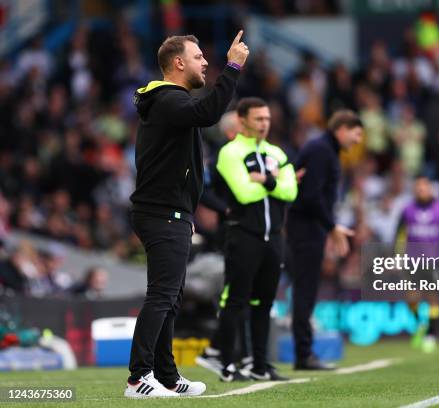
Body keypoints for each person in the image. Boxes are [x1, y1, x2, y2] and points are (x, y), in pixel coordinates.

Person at [125, 32, 248, 398]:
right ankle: (138, 378)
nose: (205, 62)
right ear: (178, 63)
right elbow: (209, 113)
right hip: (162, 213)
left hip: (169, 212)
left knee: (171, 296)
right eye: (198, 57)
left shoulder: (168, 102)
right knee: (162, 295)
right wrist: (234, 66)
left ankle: (165, 374)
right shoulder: (167, 99)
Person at [198, 97, 298, 382]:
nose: (265, 124)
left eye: (267, 119)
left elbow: (290, 192)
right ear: (242, 121)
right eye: (258, 119)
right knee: (236, 300)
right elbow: (244, 193)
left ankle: (259, 365)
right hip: (243, 234)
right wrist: (274, 181)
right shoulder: (230, 153)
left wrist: (263, 180)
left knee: (264, 303)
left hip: (274, 237)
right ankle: (228, 364)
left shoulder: (276, 151)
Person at [287, 110, 363, 370]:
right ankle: (303, 354)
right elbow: (310, 196)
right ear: (341, 128)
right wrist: (332, 227)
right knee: (305, 290)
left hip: (310, 227)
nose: (358, 140)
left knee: (306, 290)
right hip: (306, 228)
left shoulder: (325, 149)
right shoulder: (321, 150)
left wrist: (329, 228)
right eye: (357, 132)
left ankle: (304, 352)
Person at [395, 175, 439, 353]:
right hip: (412, 260)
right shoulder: (407, 210)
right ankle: (420, 324)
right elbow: (399, 235)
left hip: (435, 259)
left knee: (433, 297)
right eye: (418, 187)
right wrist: (397, 257)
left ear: (430, 188)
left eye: (424, 187)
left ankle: (431, 335)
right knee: (411, 298)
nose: (421, 190)